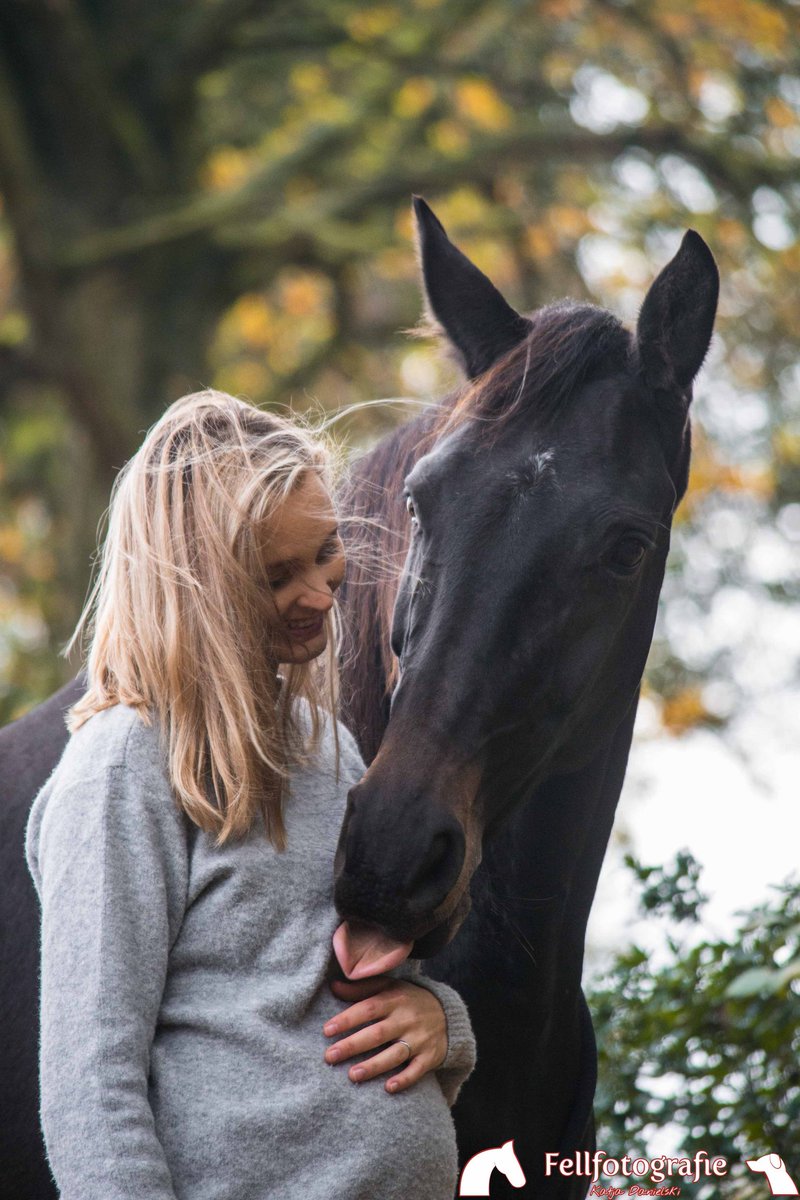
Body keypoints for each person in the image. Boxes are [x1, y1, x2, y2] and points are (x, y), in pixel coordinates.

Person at [25, 389, 476, 1200]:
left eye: (327, 551)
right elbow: (89, 1083)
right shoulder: (121, 765)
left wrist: (443, 1024)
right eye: (276, 576)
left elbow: (313, 979)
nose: (321, 591)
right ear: (190, 586)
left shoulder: (326, 743)